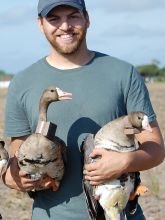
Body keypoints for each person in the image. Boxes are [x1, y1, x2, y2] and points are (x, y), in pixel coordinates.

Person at [3, 0, 165, 219]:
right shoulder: (22, 82)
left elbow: (155, 148)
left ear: (87, 19)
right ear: (40, 24)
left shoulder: (123, 74)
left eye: (73, 16)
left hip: (118, 213)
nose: (65, 26)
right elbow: (18, 149)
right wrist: (9, 176)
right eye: (54, 19)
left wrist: (125, 161)